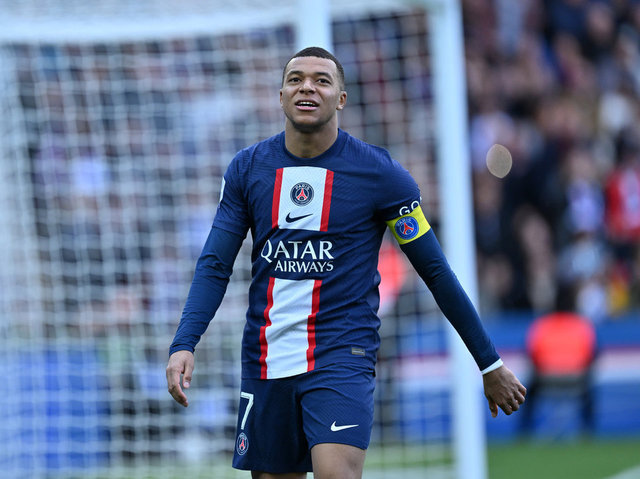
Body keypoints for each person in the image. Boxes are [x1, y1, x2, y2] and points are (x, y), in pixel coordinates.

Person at [166, 46, 526, 479]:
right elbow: (214, 264)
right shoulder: (248, 169)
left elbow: (434, 271)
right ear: (281, 95)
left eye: (321, 80)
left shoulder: (381, 175)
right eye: (296, 79)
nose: (307, 87)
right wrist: (185, 342)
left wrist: (488, 363)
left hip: (342, 352)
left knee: (337, 474)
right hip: (267, 354)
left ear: (341, 99)